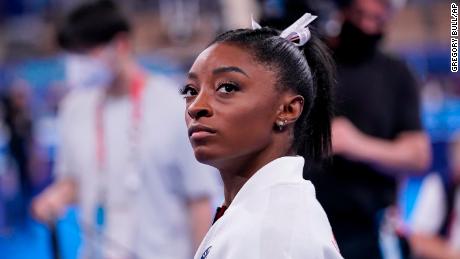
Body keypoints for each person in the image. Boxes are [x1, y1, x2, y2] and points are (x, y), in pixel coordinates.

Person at [31, 1, 218, 258]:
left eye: (85, 54)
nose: (77, 65)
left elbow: (198, 199)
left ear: (119, 44)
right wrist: (55, 199)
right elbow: (73, 182)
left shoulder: (173, 107)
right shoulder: (74, 108)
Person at [181, 13, 343, 259]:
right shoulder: (256, 215)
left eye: (227, 87)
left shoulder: (271, 232)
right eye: (191, 91)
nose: (195, 107)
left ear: (287, 109)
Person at [306, 0, 431, 258]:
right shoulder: (312, 64)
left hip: (367, 228)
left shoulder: (396, 74)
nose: (366, 25)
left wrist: (355, 144)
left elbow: (418, 156)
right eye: (359, 15)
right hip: (307, 220)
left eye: (376, 19)